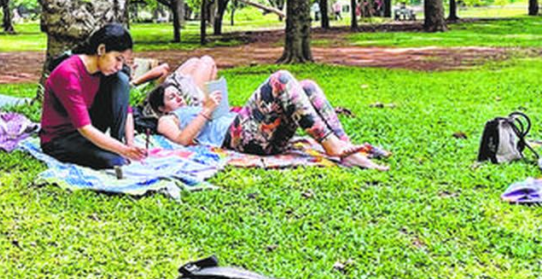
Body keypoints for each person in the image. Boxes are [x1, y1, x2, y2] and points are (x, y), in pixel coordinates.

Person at [147, 70, 387, 169]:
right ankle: (332, 145)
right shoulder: (167, 119)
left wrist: (210, 106)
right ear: (161, 107)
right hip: (237, 139)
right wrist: (206, 111)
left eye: (179, 94)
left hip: (260, 132)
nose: (179, 99)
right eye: (172, 97)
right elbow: (182, 140)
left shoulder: (196, 106)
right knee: (280, 78)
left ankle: (345, 146)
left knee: (308, 86)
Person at [39, 23, 147, 169]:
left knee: (121, 80)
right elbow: (85, 128)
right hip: (60, 138)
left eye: (123, 61)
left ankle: (117, 143)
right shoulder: (69, 74)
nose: (119, 66)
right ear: (101, 49)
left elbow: (125, 109)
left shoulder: (104, 72)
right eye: (118, 59)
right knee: (115, 161)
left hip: (88, 128)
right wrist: (123, 151)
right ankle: (116, 150)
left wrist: (130, 145)